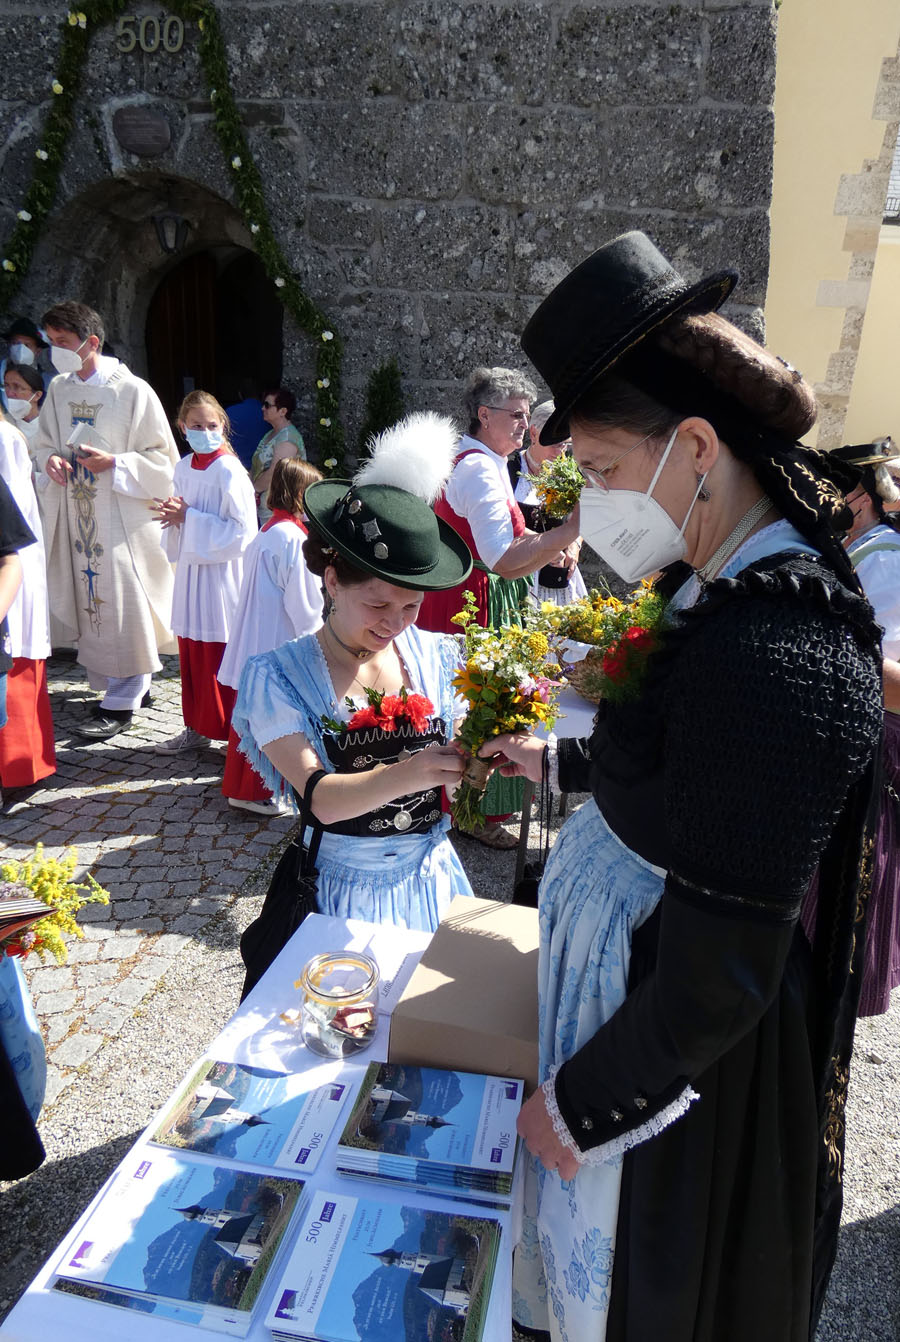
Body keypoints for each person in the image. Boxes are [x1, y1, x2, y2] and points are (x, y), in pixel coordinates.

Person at [476, 232, 883, 1342]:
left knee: (653, 1300)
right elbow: (683, 778)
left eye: (601, 472)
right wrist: (565, 763)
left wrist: (582, 1103)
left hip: (685, 1077)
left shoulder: (780, 655)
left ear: (694, 446)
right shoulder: (708, 585)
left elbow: (723, 970)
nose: (592, 503)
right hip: (634, 1008)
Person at [233, 411, 475, 930]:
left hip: (432, 880)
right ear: (333, 580)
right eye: (378, 604)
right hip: (339, 896)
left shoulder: (437, 657)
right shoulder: (278, 677)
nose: (395, 623)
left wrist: (484, 755)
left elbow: (453, 786)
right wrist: (408, 772)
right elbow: (320, 799)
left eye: (410, 607)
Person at [418, 367, 580, 848]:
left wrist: (549, 541)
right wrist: (570, 530)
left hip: (461, 592)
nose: (523, 424)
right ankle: (471, 811)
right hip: (474, 600)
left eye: (526, 415)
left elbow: (510, 539)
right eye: (516, 414)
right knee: (482, 703)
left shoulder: (473, 458)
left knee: (471, 701)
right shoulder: (479, 468)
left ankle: (459, 805)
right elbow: (504, 558)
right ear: (484, 414)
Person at [33, 300, 179, 741]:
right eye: (51, 343)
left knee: (122, 597)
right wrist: (52, 462)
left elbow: (162, 460)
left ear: (90, 342)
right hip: (78, 517)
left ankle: (122, 699)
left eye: (63, 343)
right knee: (92, 597)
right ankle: (123, 685)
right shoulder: (58, 388)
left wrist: (115, 463)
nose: (54, 351)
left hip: (120, 515)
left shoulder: (132, 392)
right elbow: (42, 445)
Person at [808, 437, 900, 1017]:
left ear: (858, 497)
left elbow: (886, 665)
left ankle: (831, 996)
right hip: (860, 720)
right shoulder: (865, 546)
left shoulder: (884, 557)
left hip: (878, 733)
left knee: (856, 865)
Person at [151, 391, 258, 755]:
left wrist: (189, 519)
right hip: (192, 572)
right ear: (182, 427)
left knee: (220, 652)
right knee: (192, 651)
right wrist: (175, 516)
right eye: (196, 425)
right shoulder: (183, 467)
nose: (205, 431)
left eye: (212, 425)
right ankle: (195, 725)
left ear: (223, 426)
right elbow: (182, 513)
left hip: (222, 577)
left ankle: (232, 736)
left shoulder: (229, 471)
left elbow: (244, 532)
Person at [219, 457, 324, 814]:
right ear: (299, 494)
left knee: (252, 713)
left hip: (257, 633)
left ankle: (242, 786)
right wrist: (317, 641)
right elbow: (304, 603)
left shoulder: (269, 531)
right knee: (272, 717)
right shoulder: (293, 538)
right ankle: (256, 792)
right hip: (277, 637)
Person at [0, 409, 54, 810]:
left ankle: (18, 770)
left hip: (11, 558)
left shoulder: (5, 438)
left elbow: (13, 512)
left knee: (15, 660)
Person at [507, 399, 587, 606]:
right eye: (556, 443)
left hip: (557, 578)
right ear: (533, 433)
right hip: (516, 575)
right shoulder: (509, 469)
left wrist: (574, 545)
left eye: (567, 444)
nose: (562, 451)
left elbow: (584, 517)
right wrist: (547, 547)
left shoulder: (569, 472)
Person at [250, 386, 306, 524]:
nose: (263, 408)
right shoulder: (271, 434)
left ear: (283, 411)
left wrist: (253, 490)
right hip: (266, 506)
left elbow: (276, 471)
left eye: (267, 405)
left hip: (278, 509)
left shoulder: (288, 438)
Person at [0, 318, 51, 409]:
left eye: (27, 345)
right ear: (9, 345)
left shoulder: (47, 383)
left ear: (38, 351)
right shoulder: (1, 371)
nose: (20, 349)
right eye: (15, 343)